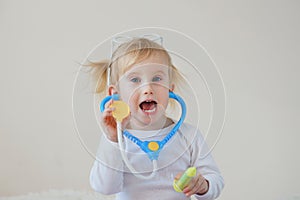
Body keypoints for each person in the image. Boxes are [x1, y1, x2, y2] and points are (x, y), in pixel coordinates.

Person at [88, 36, 224, 200]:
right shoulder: (117, 140)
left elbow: (215, 179)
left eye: (157, 79)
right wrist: (112, 140)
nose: (148, 88)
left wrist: (204, 186)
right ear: (115, 94)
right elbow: (105, 187)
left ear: (170, 90)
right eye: (135, 80)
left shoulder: (189, 136)